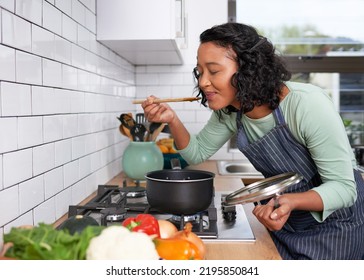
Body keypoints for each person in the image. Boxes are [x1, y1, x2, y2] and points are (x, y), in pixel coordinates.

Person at [141, 22, 364, 260]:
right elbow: (196, 153)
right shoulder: (230, 110)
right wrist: (171, 119)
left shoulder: (307, 104)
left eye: (214, 71)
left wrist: (289, 202)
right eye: (200, 71)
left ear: (248, 70)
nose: (203, 82)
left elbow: (344, 188)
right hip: (287, 218)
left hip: (336, 225)